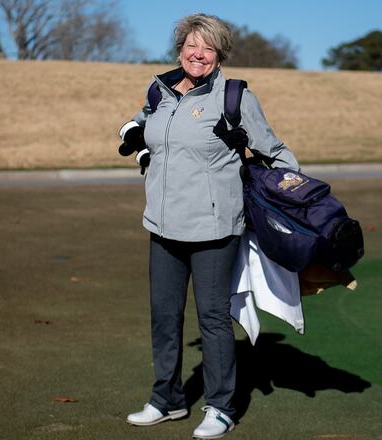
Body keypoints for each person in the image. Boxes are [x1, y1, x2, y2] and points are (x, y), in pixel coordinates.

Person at [123, 13, 299, 439]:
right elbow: (144, 127)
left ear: (220, 55)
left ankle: (221, 407)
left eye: (208, 48)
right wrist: (140, 147)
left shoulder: (234, 98)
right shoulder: (160, 91)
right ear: (179, 49)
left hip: (214, 230)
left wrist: (291, 195)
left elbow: (277, 153)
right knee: (164, 317)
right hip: (163, 226)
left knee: (214, 319)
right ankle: (167, 399)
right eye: (191, 45)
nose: (198, 54)